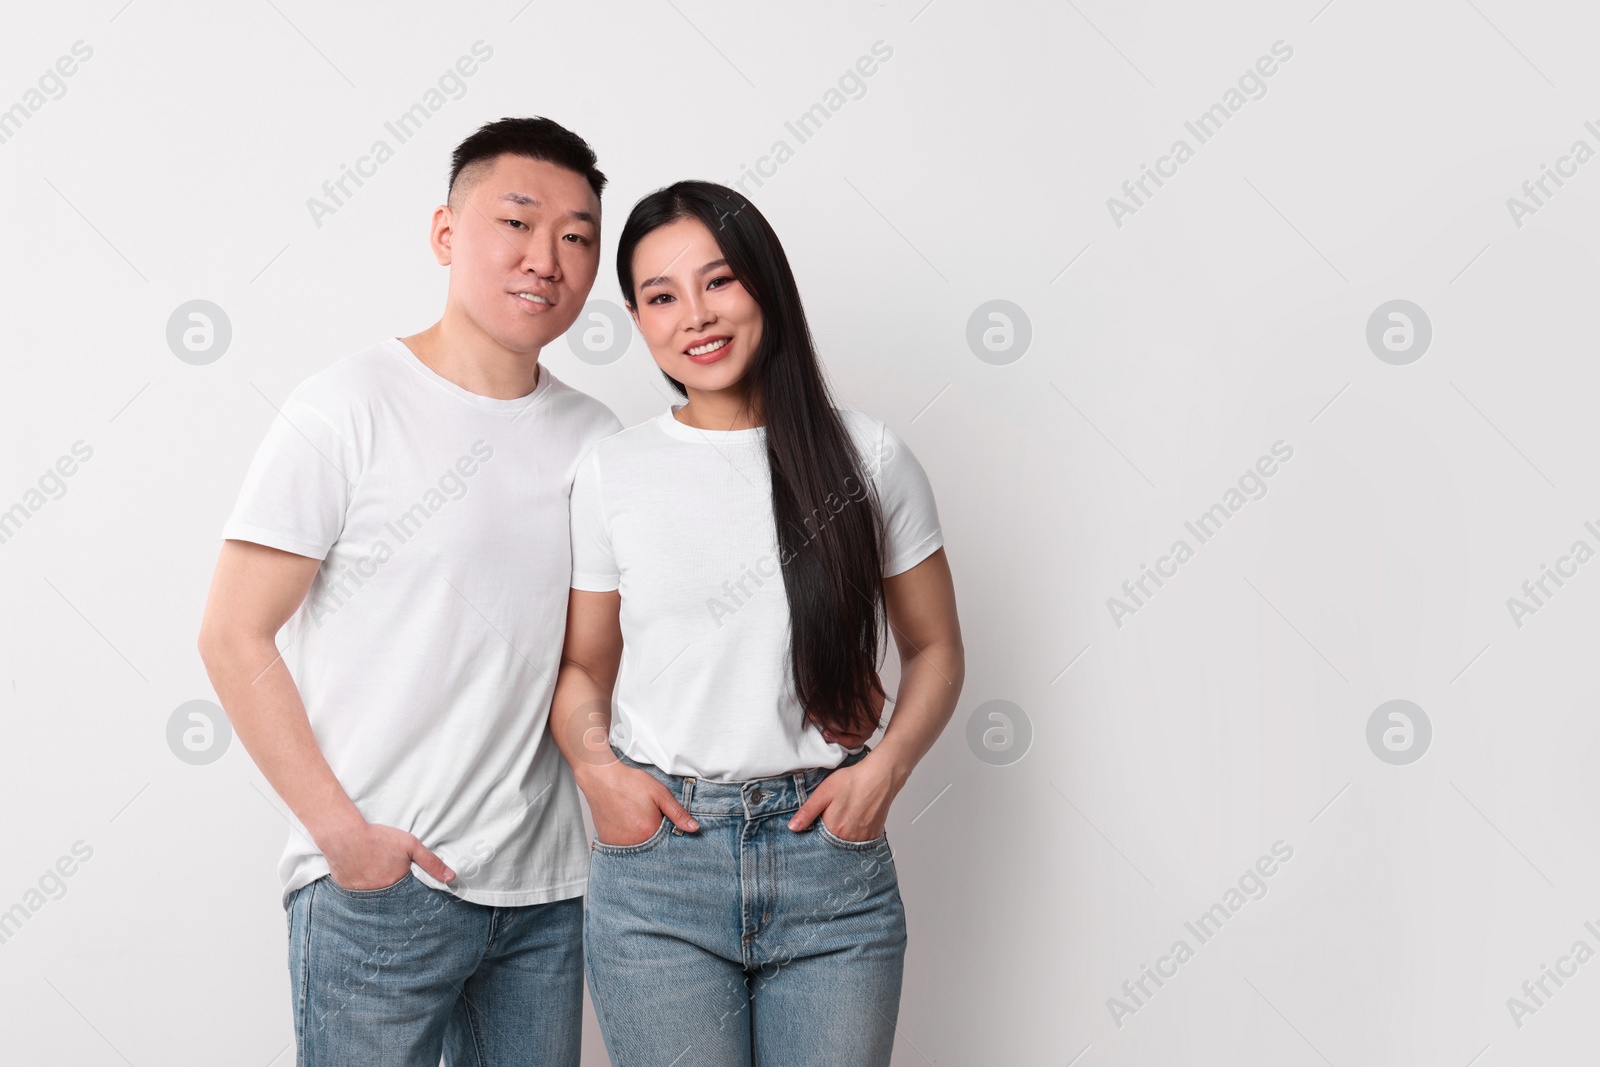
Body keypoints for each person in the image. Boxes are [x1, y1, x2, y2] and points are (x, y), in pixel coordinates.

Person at [196, 116, 618, 1066]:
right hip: (381, 889)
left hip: (544, 896)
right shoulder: (347, 405)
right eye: (517, 221)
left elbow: (594, 661)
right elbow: (232, 633)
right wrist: (343, 837)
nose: (546, 258)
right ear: (444, 234)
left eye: (577, 236)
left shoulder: (598, 438)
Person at [551, 180, 965, 1066]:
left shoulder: (871, 456)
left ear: (766, 285)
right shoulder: (613, 470)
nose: (694, 315)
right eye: (660, 296)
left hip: (829, 865)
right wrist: (598, 773)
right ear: (638, 317)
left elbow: (936, 648)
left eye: (720, 281)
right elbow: (583, 667)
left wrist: (885, 770)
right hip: (662, 867)